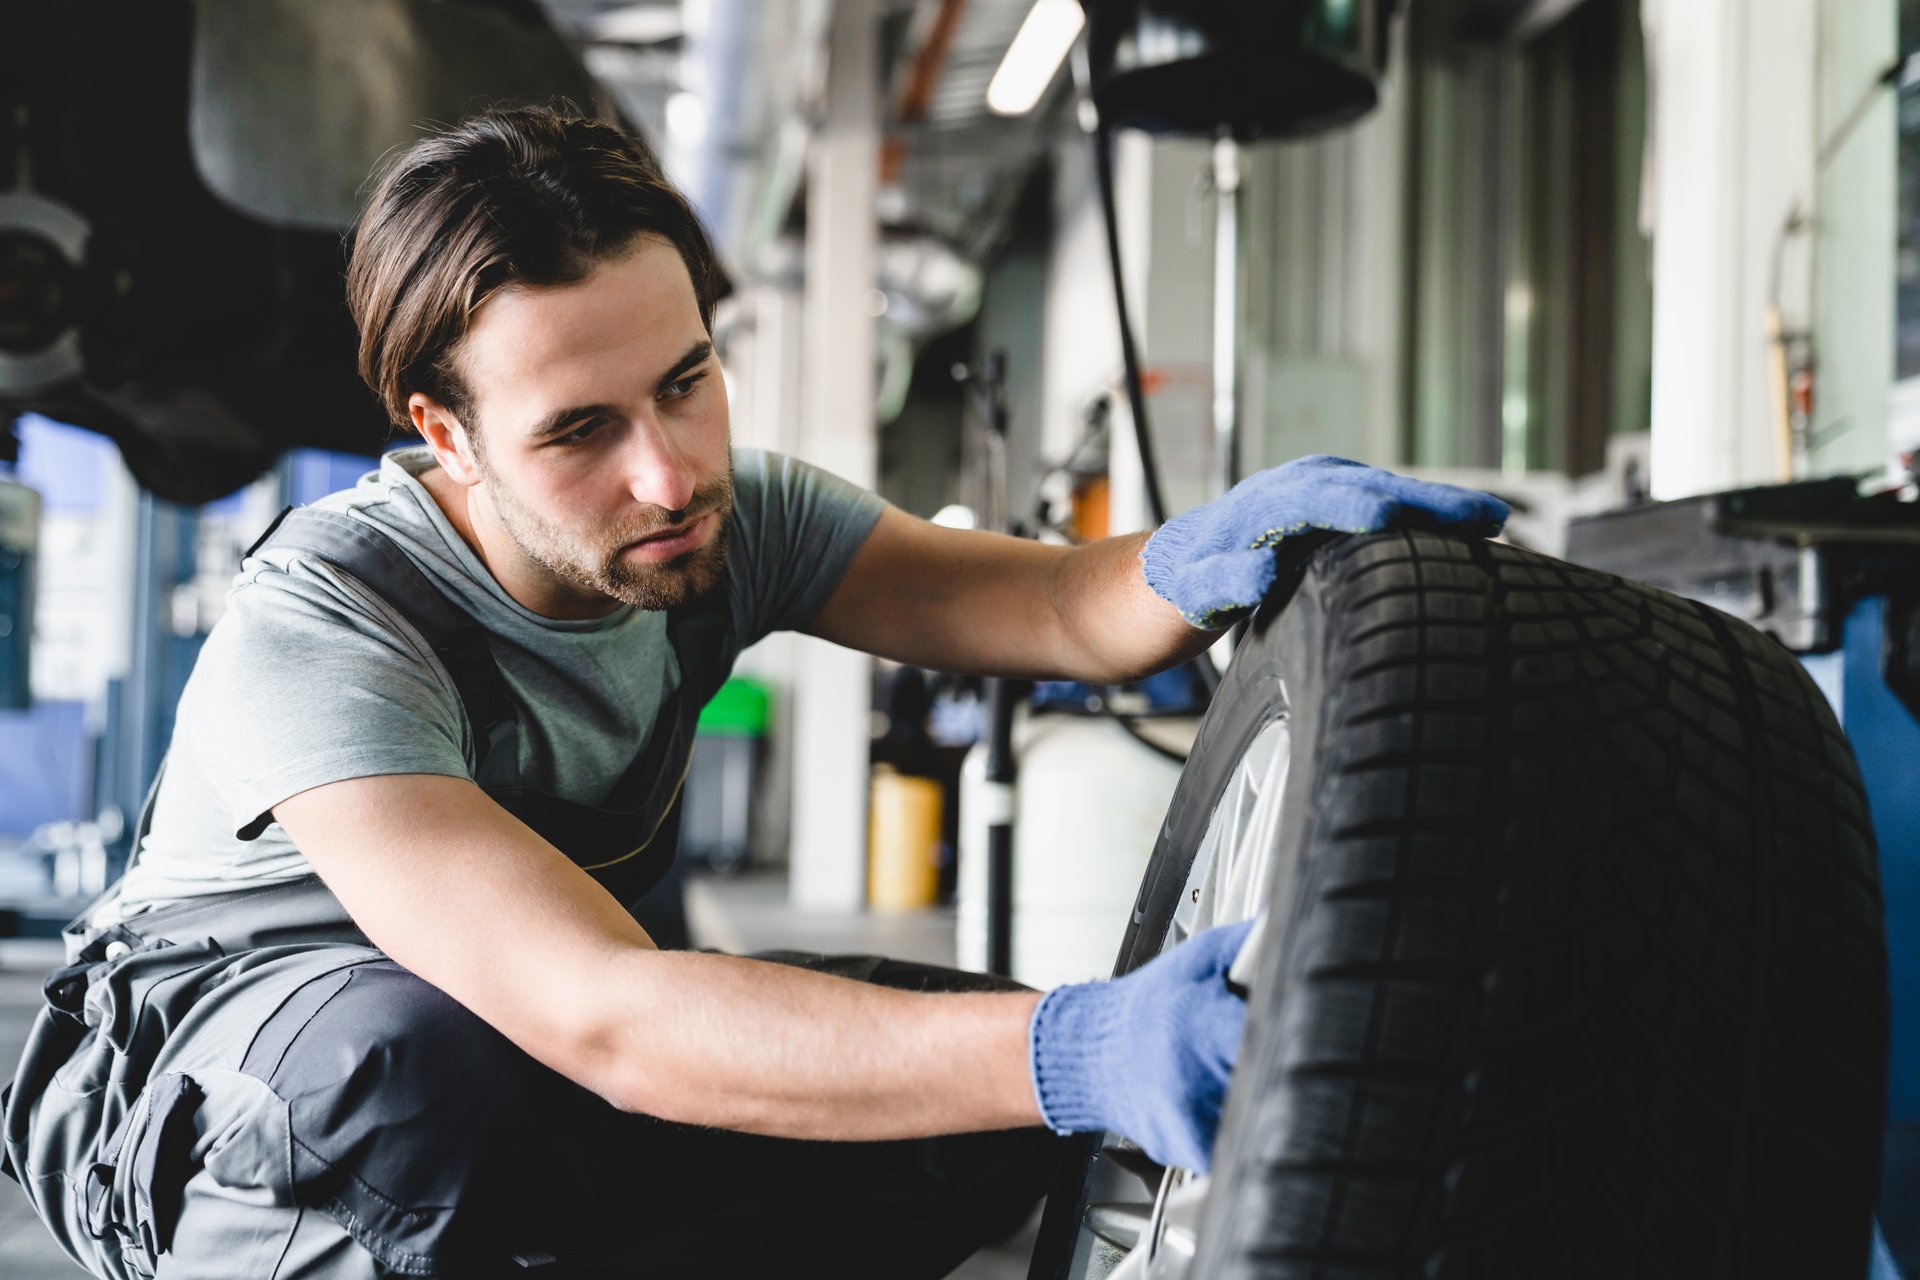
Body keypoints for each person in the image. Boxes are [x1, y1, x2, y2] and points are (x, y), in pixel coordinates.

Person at [0, 106, 1507, 1280]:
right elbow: (604, 1016)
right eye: (579, 428)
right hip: (214, 1118)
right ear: (443, 437)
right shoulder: (326, 627)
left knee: (967, 1104)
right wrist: (1074, 1046)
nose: (668, 472)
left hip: (527, 1051)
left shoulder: (719, 519)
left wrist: (1190, 557)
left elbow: (1047, 599)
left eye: (688, 380)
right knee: (422, 1084)